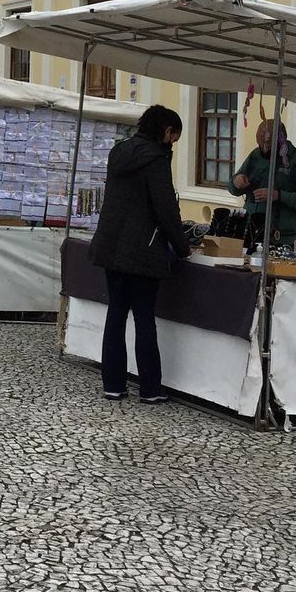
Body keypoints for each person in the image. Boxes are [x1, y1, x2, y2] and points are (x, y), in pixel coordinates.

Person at [89, 105, 191, 404]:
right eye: (174, 136)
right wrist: (182, 247)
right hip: (143, 250)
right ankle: (149, 388)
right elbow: (165, 209)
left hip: (111, 246)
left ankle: (113, 384)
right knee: (145, 318)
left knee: (116, 314)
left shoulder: (118, 153)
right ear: (165, 131)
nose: (173, 142)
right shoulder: (156, 160)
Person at [228, 119, 296, 249]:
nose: (263, 148)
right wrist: (236, 182)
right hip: (250, 234)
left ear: (281, 140)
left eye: (267, 144)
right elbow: (233, 189)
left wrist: (279, 196)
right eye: (259, 142)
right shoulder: (255, 156)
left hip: (281, 239)